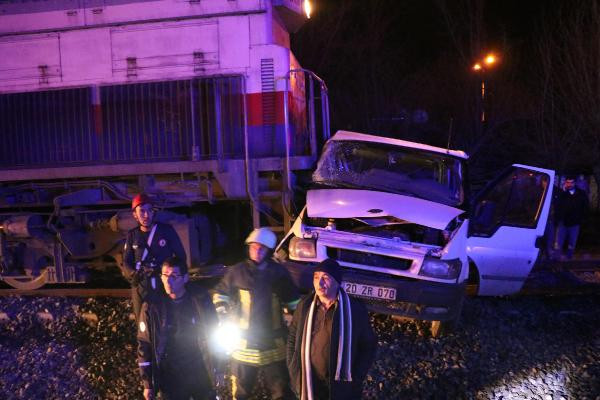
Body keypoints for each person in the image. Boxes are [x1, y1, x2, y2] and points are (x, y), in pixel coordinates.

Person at [212, 227, 300, 400]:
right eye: (254, 246)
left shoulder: (279, 273)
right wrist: (222, 312)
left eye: (262, 248)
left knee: (282, 392)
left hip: (274, 345)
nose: (257, 251)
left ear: (268, 251)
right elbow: (220, 293)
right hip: (243, 346)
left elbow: (294, 301)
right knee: (241, 393)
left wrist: (294, 318)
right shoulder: (237, 272)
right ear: (248, 247)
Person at [287, 259, 376, 400]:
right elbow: (292, 338)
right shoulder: (304, 306)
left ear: (337, 282)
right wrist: (294, 369)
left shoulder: (354, 310)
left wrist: (356, 376)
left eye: (326, 278)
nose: (319, 283)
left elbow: (368, 346)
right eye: (316, 277)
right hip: (309, 381)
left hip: (341, 386)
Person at [137, 256, 219, 400]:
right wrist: (147, 383)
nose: (168, 281)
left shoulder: (200, 300)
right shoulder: (152, 306)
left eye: (174, 276)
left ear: (185, 278)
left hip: (199, 370)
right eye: (165, 275)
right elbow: (144, 344)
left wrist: (218, 368)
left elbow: (215, 335)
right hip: (170, 374)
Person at [123, 193, 187, 321]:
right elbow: (126, 261)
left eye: (149, 210)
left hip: (163, 282)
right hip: (141, 285)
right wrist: (133, 274)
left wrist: (175, 275)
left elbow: (181, 256)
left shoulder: (166, 230)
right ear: (134, 214)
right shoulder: (132, 235)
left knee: (166, 319)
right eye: (142, 211)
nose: (146, 215)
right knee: (141, 321)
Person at [553, 176, 589, 260]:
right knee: (559, 242)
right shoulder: (562, 194)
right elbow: (557, 206)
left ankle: (569, 259)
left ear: (574, 183)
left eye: (571, 182)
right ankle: (556, 259)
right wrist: (557, 219)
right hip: (563, 222)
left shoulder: (581, 194)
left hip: (575, 222)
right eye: (567, 182)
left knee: (572, 242)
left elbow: (585, 207)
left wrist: (582, 219)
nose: (569, 184)